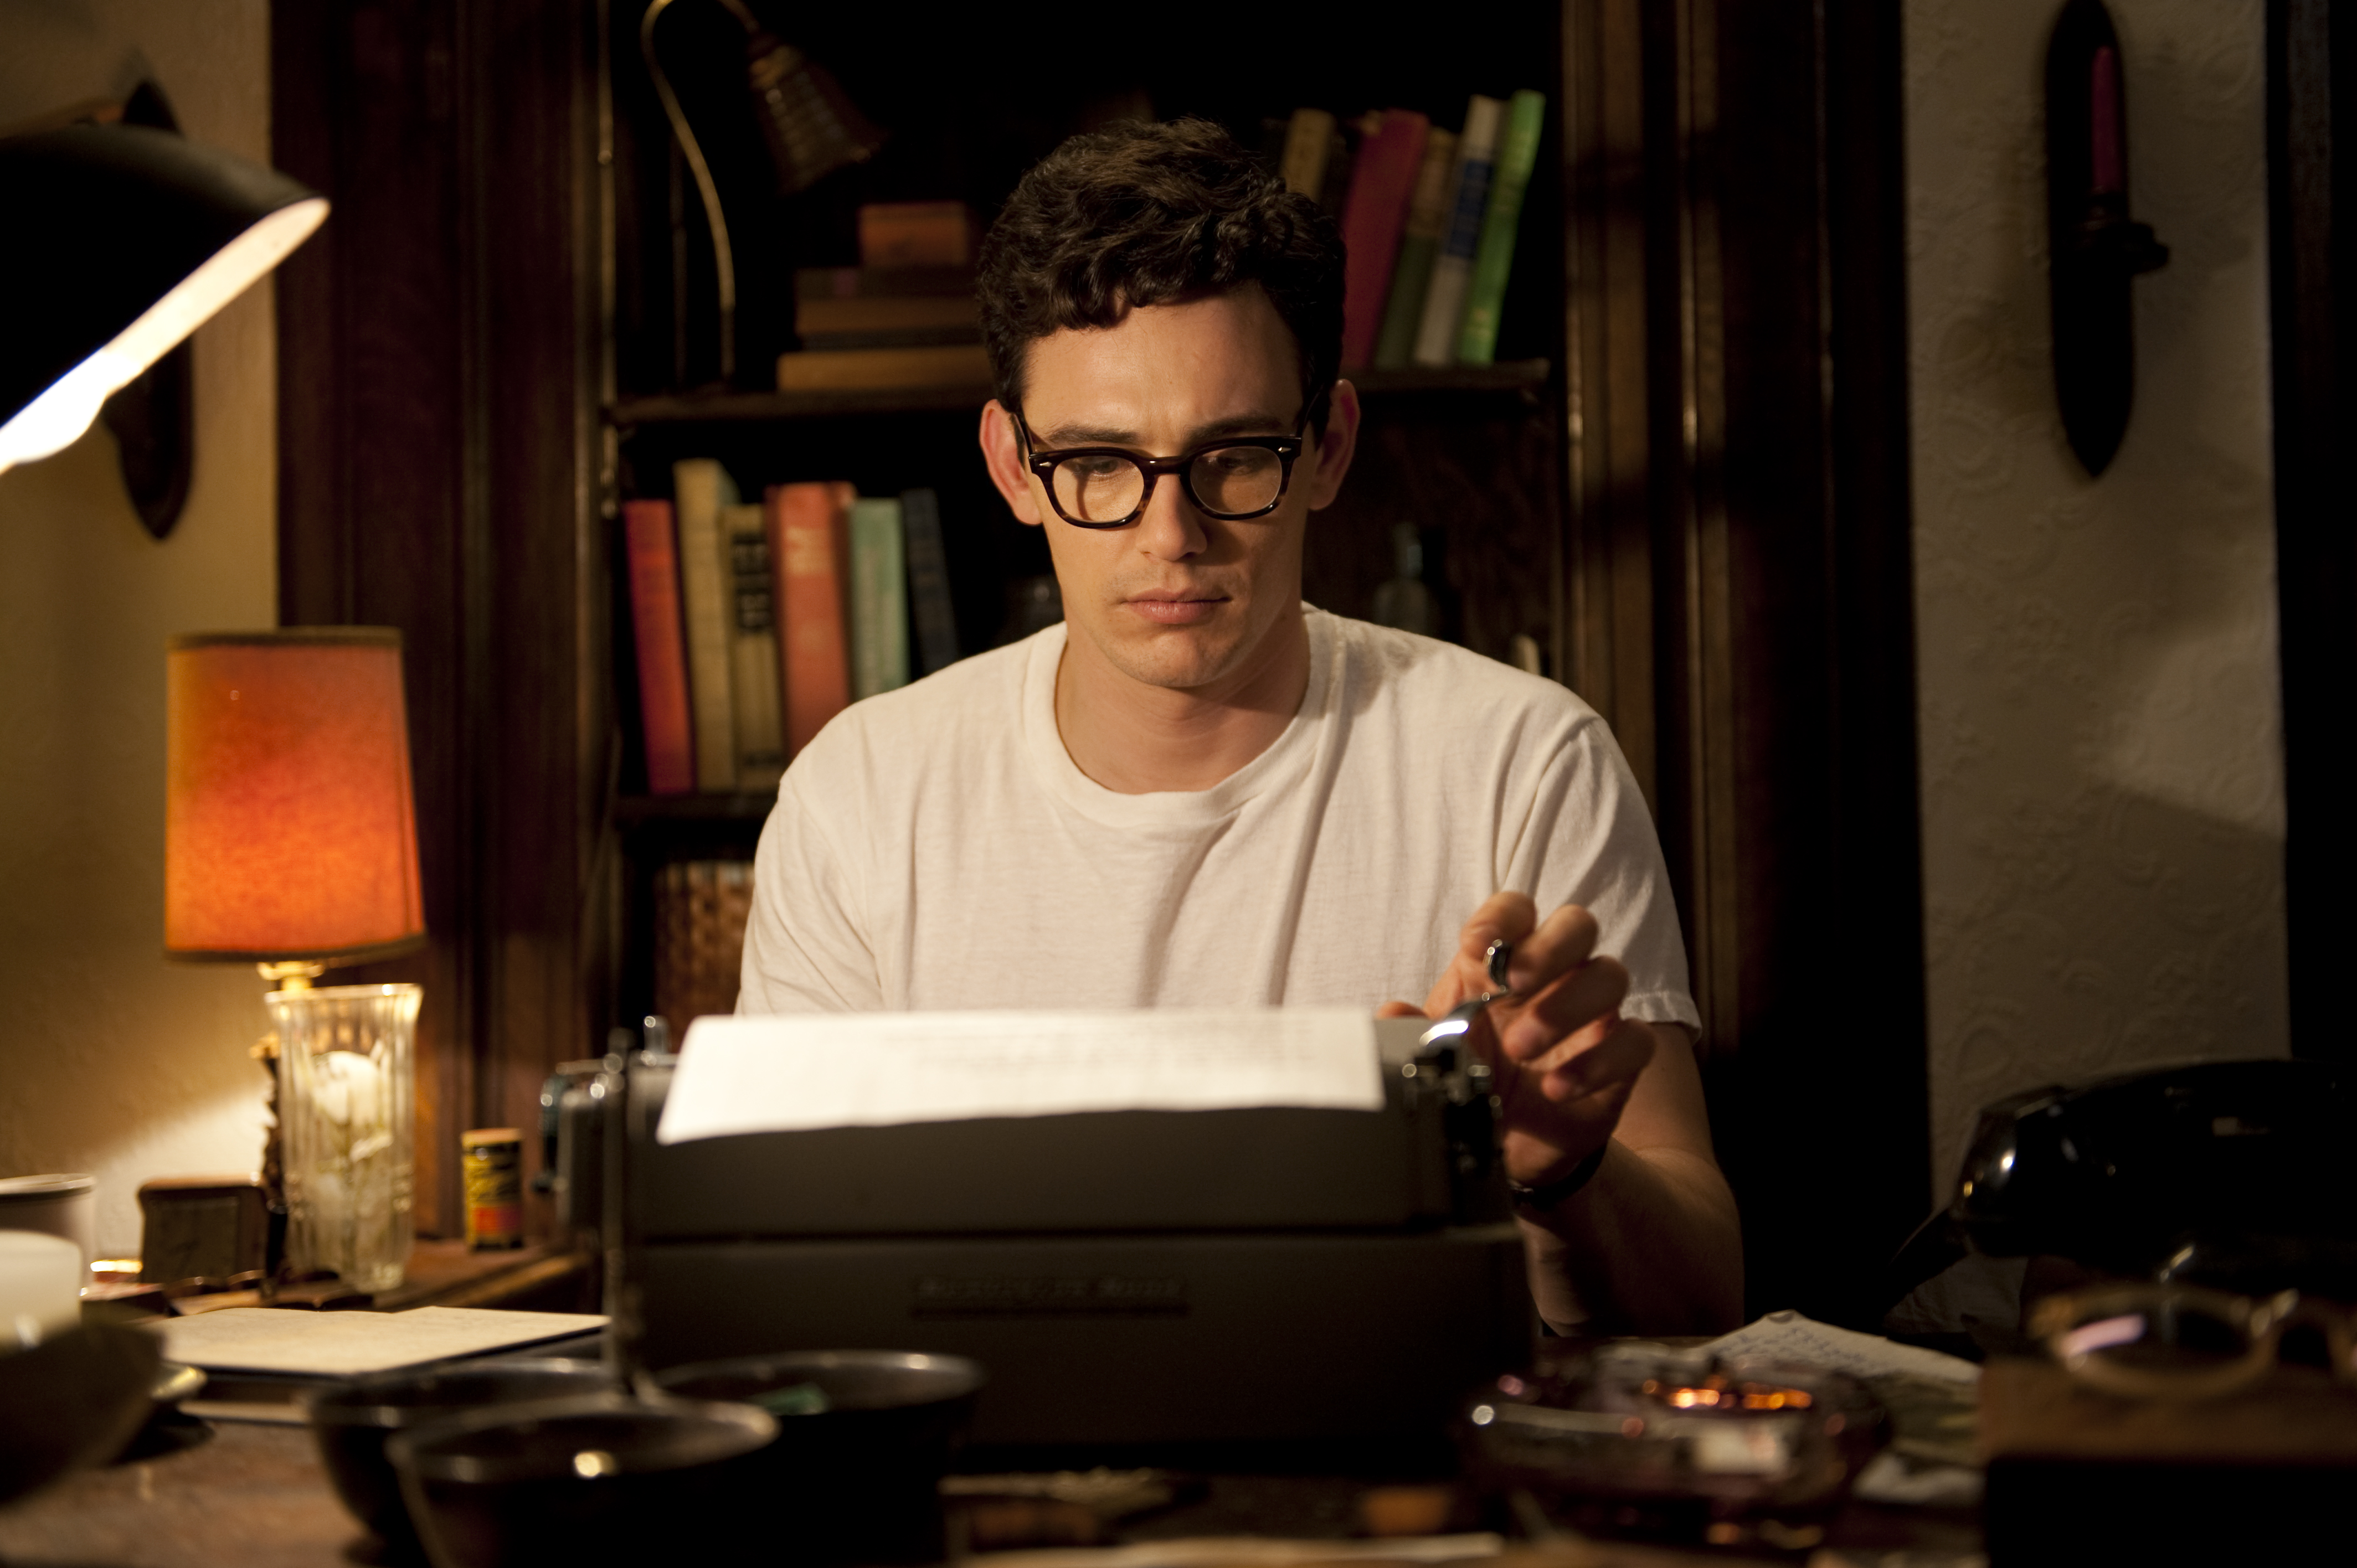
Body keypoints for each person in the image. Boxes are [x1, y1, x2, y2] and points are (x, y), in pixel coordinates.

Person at [739, 118, 1741, 1334]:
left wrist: (1559, 1174)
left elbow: (1705, 1300)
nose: (1172, 536)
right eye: (1100, 464)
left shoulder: (1521, 764)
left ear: (1328, 448)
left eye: (1234, 456)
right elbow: (777, 1282)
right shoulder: (860, 796)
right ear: (1012, 467)